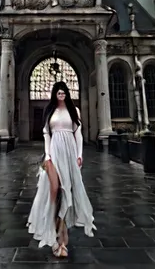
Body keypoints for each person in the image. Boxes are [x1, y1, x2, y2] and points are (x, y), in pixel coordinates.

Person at [27, 81, 96, 258]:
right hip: (54, 153)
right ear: (54, 93)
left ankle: (61, 239)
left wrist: (79, 155)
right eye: (58, 90)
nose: (61, 92)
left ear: (66, 93)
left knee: (67, 192)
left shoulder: (75, 111)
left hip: (70, 154)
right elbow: (46, 134)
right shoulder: (50, 111)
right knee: (54, 191)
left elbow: (78, 134)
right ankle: (53, 232)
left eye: (63, 90)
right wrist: (47, 155)